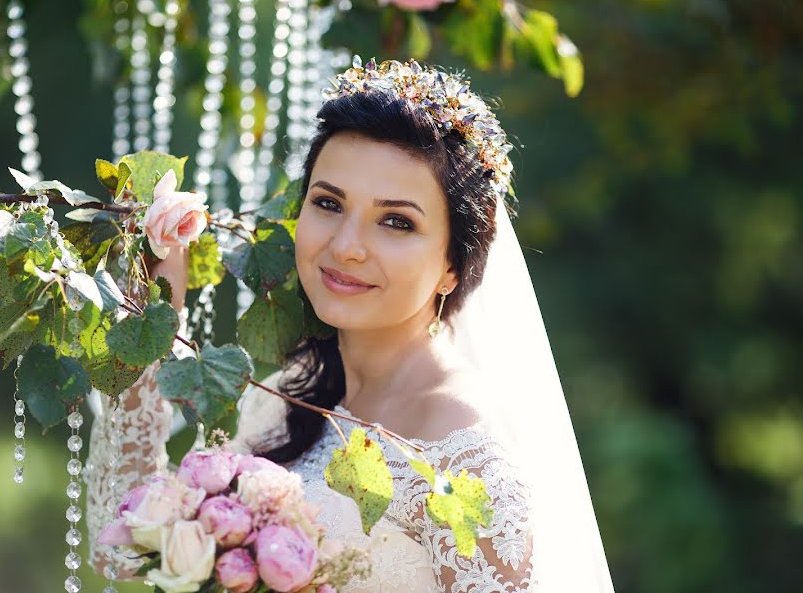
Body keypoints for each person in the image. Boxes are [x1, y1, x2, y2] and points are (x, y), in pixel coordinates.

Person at [84, 58, 615, 592]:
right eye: (329, 203)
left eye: (396, 221)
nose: (345, 247)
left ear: (453, 264)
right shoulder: (288, 391)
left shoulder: (462, 457)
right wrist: (153, 321)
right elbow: (123, 551)